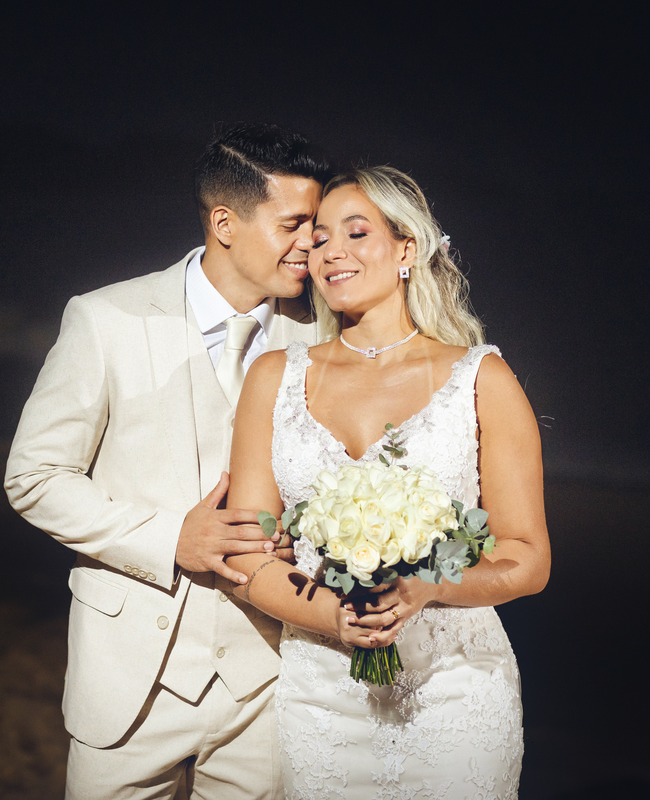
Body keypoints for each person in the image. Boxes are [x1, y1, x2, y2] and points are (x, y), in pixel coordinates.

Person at [4, 123, 333, 799]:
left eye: (317, 224)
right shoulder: (107, 320)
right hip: (129, 684)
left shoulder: (321, 337)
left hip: (266, 684)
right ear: (225, 223)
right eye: (294, 224)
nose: (311, 243)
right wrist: (169, 539)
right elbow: (33, 477)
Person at [224, 166, 551, 798]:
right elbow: (250, 556)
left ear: (407, 249)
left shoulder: (480, 378)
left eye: (356, 232)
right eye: (319, 240)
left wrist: (431, 585)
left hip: (455, 691)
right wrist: (335, 619)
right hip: (321, 694)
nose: (331, 253)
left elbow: (528, 557)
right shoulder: (274, 377)